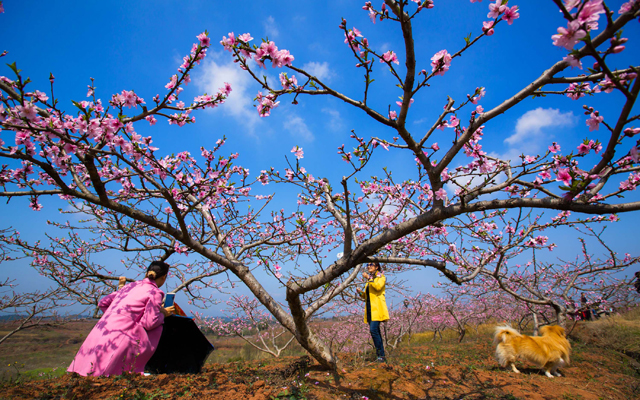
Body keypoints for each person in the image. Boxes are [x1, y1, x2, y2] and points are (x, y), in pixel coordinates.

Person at [68, 261, 175, 376]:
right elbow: (150, 322)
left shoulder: (130, 286)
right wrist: (163, 314)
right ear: (164, 277)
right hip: (123, 335)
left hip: (102, 330)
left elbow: (103, 303)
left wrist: (116, 315)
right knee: (106, 377)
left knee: (86, 374)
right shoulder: (155, 292)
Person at [356, 261, 389, 362]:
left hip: (377, 309)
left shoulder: (381, 277)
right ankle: (380, 355)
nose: (369, 266)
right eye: (368, 265)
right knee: (376, 332)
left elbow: (378, 287)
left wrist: (368, 278)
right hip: (370, 309)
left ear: (377, 267)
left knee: (373, 330)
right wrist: (361, 292)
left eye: (371, 265)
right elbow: (367, 296)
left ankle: (381, 355)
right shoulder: (370, 280)